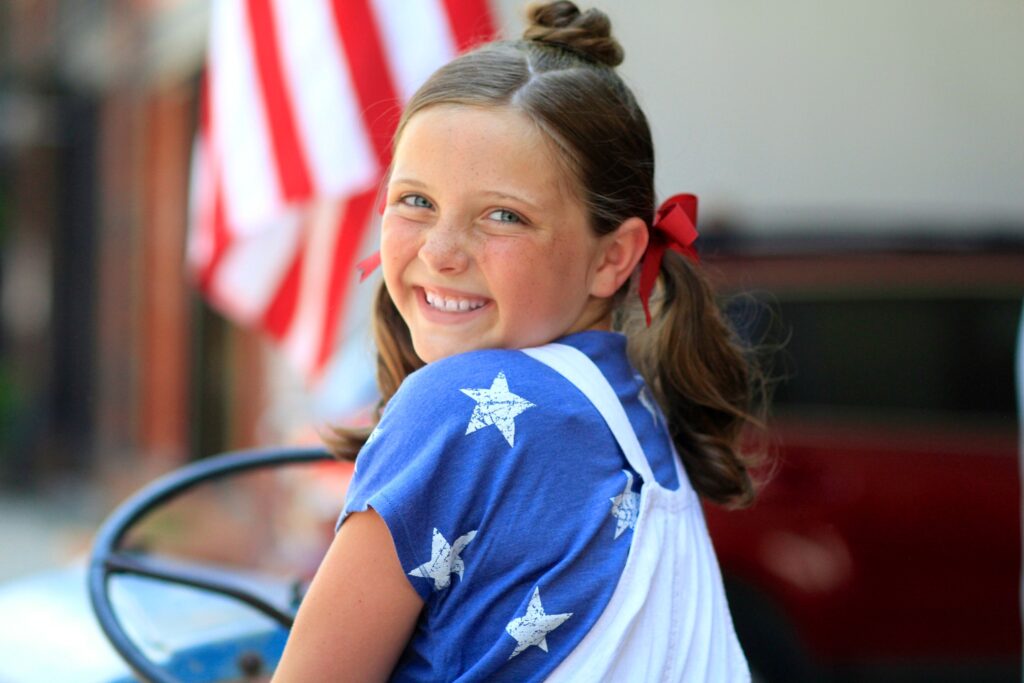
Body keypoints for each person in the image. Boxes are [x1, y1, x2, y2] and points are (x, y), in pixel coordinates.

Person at [273, 2, 761, 680]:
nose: (441, 252)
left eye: (503, 216)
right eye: (415, 200)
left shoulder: (455, 405)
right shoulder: (635, 410)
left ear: (614, 257)